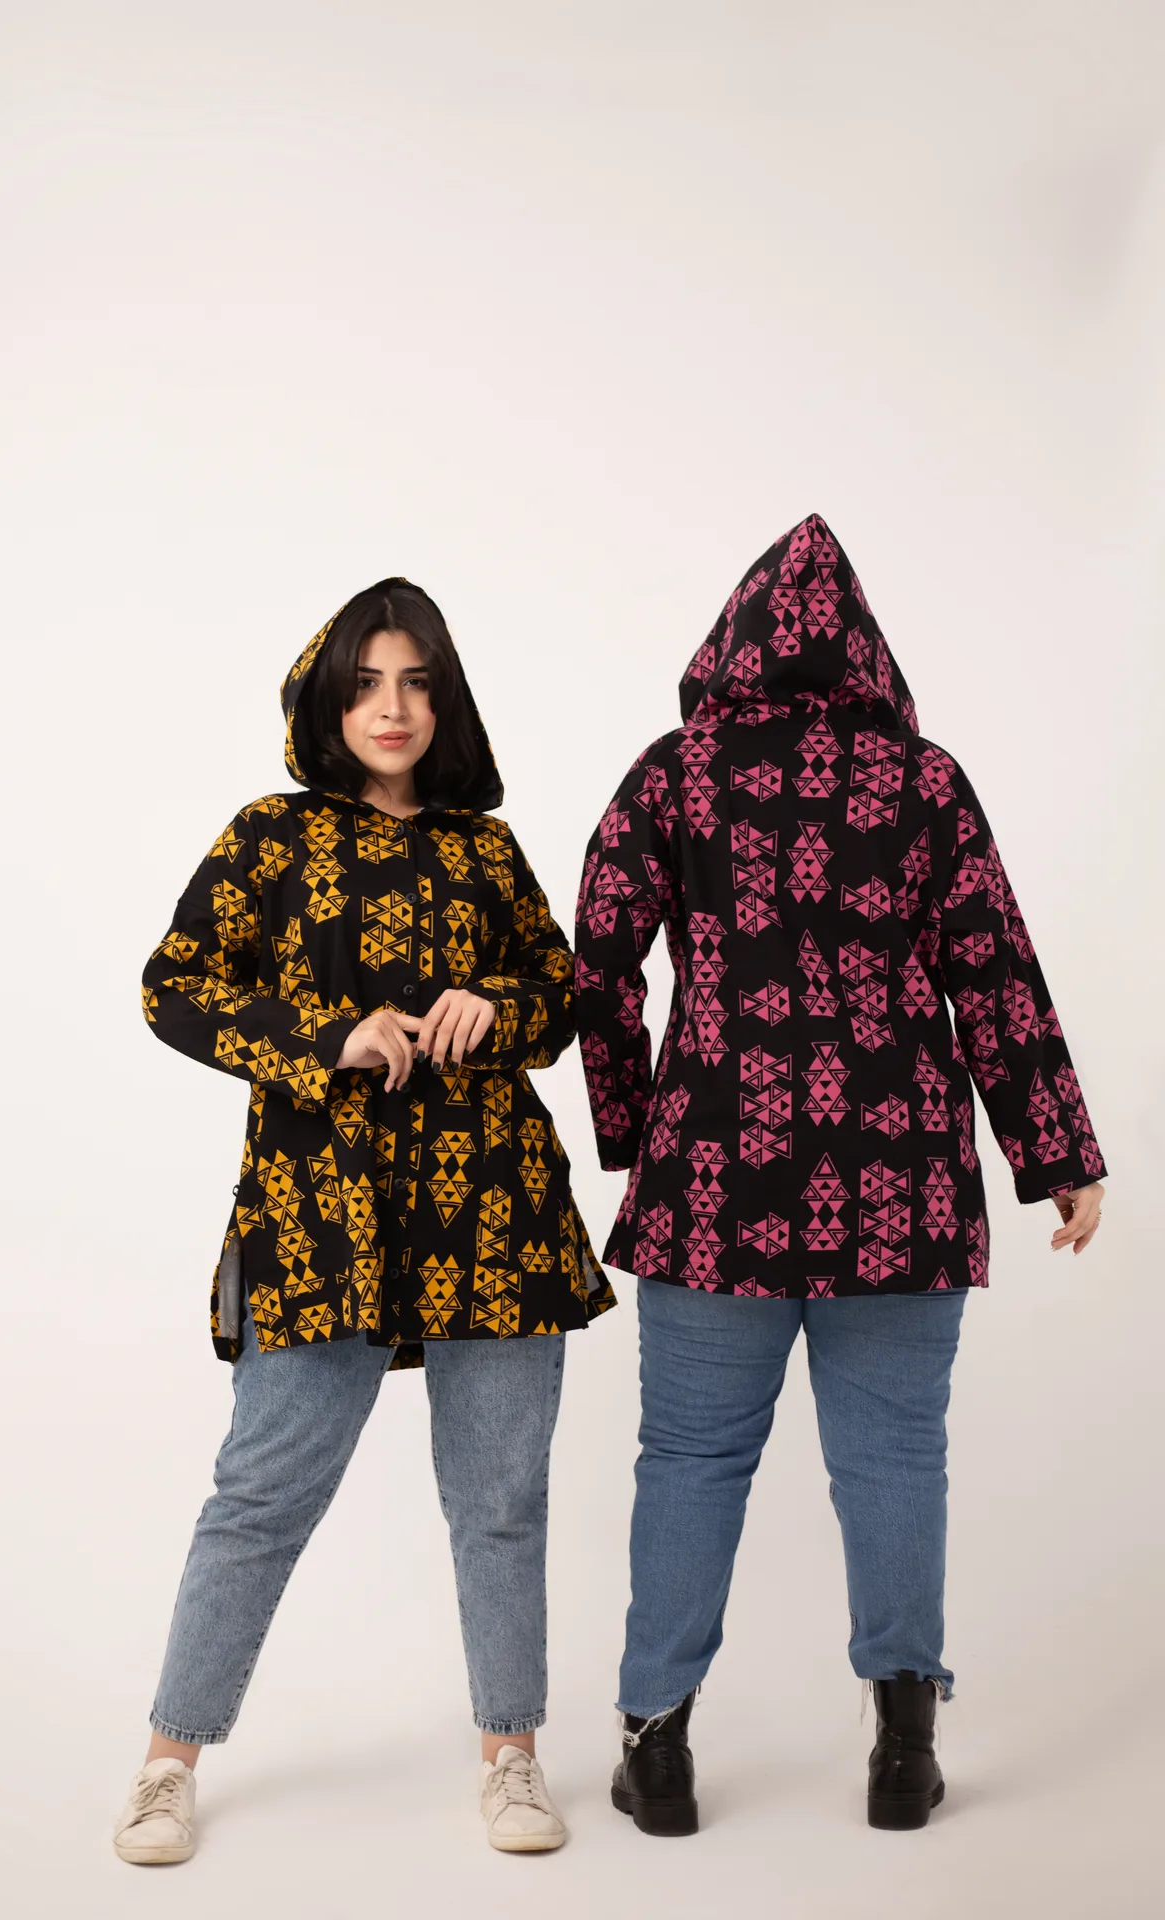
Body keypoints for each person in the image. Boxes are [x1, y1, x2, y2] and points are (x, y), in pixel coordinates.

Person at [573, 513, 1106, 1835]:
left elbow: (598, 960)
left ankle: (655, 1749)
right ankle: (904, 1754)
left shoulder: (674, 775)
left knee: (690, 1459)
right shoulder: (924, 780)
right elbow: (994, 969)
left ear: (731, 640)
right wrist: (1054, 1156)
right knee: (894, 1457)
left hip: (714, 1178)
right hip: (899, 1179)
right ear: (865, 646)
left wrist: (634, 1125)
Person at [114, 579, 615, 1864]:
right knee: (259, 1494)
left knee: (500, 1500)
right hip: (318, 1216)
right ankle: (168, 1761)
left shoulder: (485, 851)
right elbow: (172, 987)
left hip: (492, 1210)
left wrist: (498, 1007)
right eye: (366, 683)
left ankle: (510, 1754)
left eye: (415, 682)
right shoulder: (268, 838)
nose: (391, 708)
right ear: (326, 701)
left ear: (444, 701)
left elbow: (562, 991)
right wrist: (322, 1036)